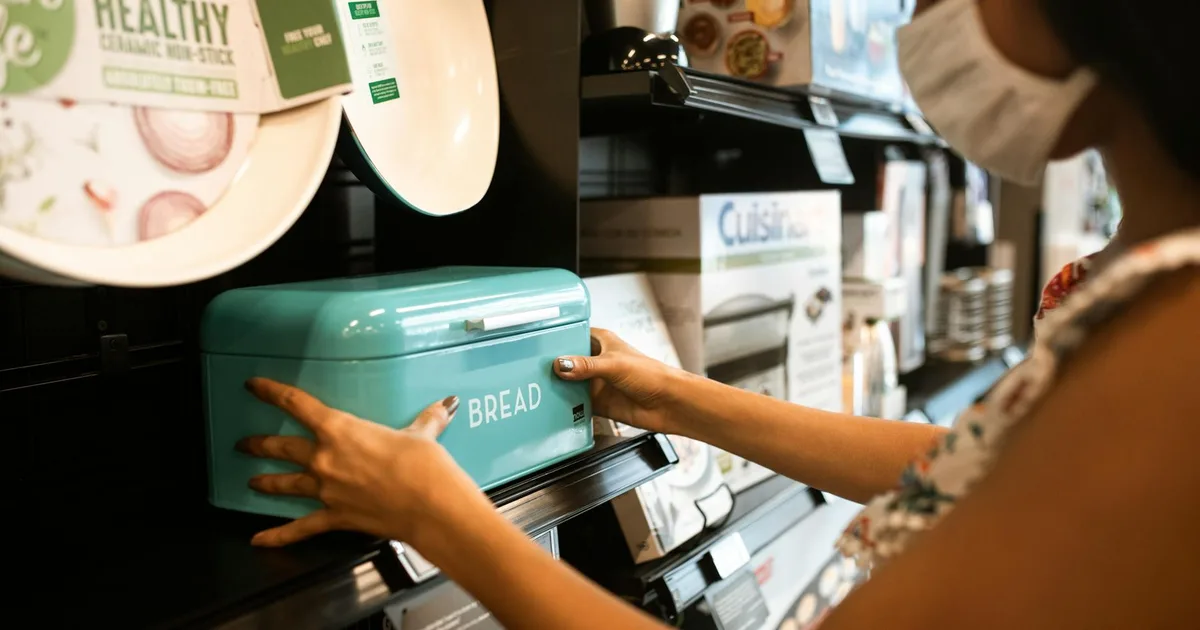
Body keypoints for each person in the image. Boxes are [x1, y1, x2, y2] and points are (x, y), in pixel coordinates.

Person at [233, 0, 1200, 627]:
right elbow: (968, 469)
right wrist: (677, 399)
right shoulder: (1148, 297)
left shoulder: (1176, 355)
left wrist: (438, 517)